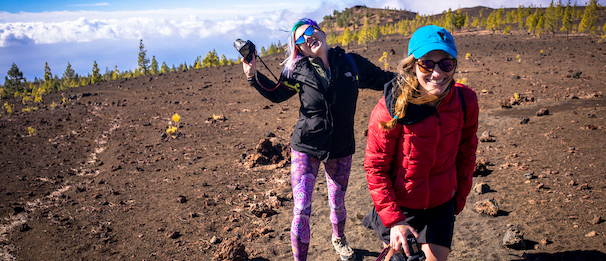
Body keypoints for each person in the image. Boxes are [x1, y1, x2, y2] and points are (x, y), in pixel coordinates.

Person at [241, 18, 395, 261]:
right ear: (298, 49)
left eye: (310, 32)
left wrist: (418, 79)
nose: (307, 38)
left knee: (338, 202)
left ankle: (339, 239)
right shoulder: (297, 70)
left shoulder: (351, 64)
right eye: (299, 39)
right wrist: (252, 76)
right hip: (306, 146)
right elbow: (276, 93)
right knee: (301, 209)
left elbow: (384, 78)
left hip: (341, 147)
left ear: (322, 32)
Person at [362, 25, 479, 261]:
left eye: (446, 63)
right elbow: (376, 168)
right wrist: (395, 221)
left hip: (442, 202)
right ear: (412, 65)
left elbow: (467, 152)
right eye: (427, 64)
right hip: (402, 204)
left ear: (454, 65)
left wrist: (459, 197)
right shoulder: (391, 107)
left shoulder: (465, 101)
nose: (437, 73)